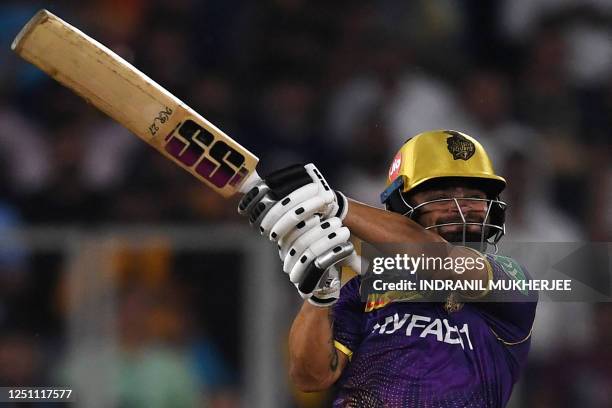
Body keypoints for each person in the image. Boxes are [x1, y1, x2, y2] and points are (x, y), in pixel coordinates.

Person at [239, 130, 537, 407]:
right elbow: (311, 378)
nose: (459, 208)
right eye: (440, 197)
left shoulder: (512, 280)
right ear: (401, 209)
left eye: (473, 196)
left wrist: (336, 205)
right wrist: (318, 299)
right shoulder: (365, 286)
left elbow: (440, 258)